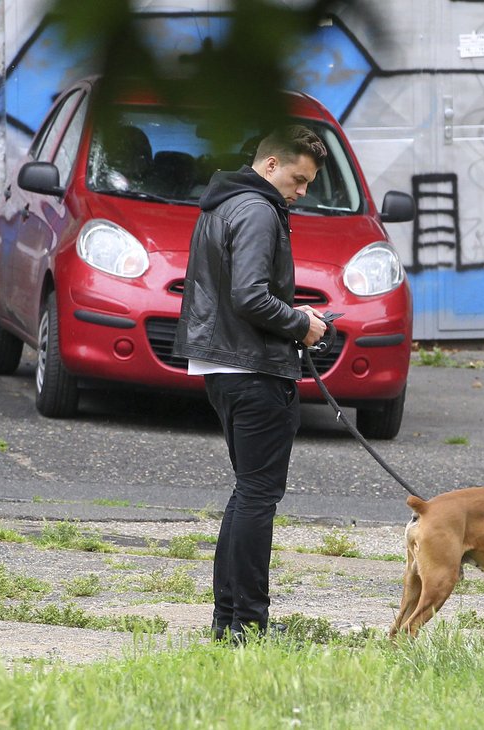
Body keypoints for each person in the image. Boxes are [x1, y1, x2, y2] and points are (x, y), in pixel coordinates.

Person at [174, 125, 328, 642]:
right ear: (269, 166)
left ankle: (229, 621)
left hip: (222, 364)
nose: (302, 192)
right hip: (253, 368)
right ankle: (249, 625)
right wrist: (302, 324)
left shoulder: (223, 204)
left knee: (247, 494)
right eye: (298, 179)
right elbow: (249, 297)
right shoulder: (260, 210)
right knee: (258, 496)